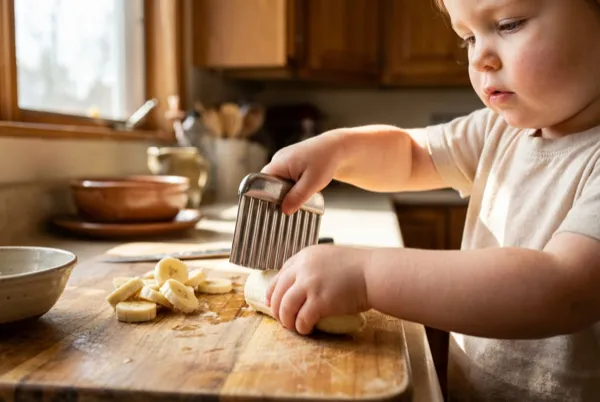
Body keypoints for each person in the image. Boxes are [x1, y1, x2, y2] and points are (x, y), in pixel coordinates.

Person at [259, 0, 600, 401]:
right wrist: (337, 150)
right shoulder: (500, 130)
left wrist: (367, 274)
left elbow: (560, 288)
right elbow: (412, 153)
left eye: (509, 25)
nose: (481, 59)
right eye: (469, 38)